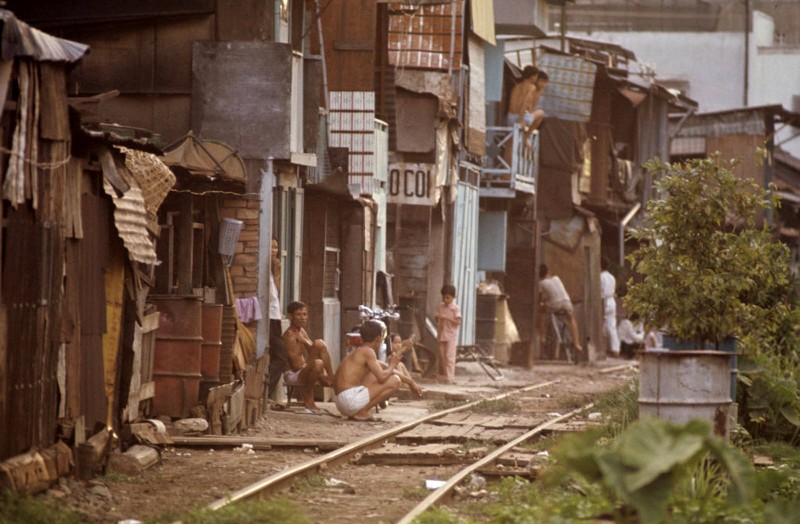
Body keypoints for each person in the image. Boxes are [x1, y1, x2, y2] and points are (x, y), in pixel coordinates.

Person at [333, 320, 421, 421]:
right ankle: (362, 412)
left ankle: (359, 411)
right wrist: (392, 364)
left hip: (340, 403)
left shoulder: (360, 351)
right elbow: (383, 378)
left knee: (375, 373)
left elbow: (385, 368)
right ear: (378, 339)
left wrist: (411, 382)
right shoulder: (368, 352)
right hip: (348, 401)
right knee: (395, 381)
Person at [282, 301, 336, 411]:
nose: (302, 317)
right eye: (298, 314)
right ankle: (308, 394)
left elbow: (315, 349)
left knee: (319, 343)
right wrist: (319, 374)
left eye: (304, 314)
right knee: (318, 363)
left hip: (303, 369)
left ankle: (331, 377)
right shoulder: (290, 336)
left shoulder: (301, 331)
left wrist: (305, 341)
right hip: (293, 375)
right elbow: (297, 366)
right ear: (290, 316)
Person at [538, 264, 583, 355]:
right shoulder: (556, 278)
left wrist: (542, 303)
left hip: (555, 304)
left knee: (542, 310)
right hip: (567, 302)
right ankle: (577, 343)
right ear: (548, 271)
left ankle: (542, 337)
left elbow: (539, 299)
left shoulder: (541, 283)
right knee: (571, 318)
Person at [267, 238, 288, 403]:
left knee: (278, 355)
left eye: (276, 247)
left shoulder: (272, 269)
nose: (274, 250)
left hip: (275, 316)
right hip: (267, 317)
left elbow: (276, 293)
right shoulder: (260, 268)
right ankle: (264, 392)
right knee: (281, 355)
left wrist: (277, 273)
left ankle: (265, 392)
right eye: (271, 247)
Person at [435, 284, 461, 384]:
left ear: (453, 297)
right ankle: (447, 376)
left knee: (450, 356)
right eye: (444, 297)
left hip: (451, 335)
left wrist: (446, 317)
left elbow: (458, 322)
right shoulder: (440, 306)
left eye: (448, 298)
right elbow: (436, 318)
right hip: (442, 333)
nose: (446, 300)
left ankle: (450, 377)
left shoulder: (455, 308)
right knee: (443, 356)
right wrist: (438, 317)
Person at [600, 257, 620, 355]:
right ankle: (615, 349)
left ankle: (601, 349)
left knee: (601, 325)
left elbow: (600, 292)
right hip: (612, 301)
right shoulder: (612, 277)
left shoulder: (600, 277)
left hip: (604, 301)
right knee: (612, 326)